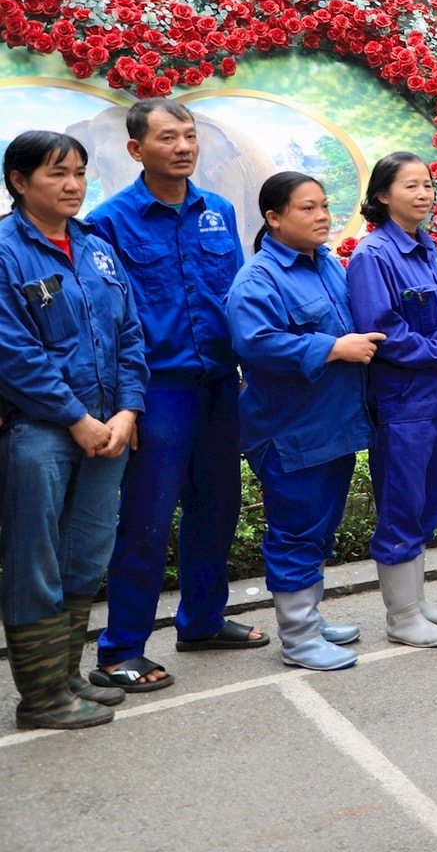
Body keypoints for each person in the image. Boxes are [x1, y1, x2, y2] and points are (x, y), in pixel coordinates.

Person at [90, 101, 259, 691]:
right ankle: (119, 651)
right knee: (146, 518)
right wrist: (123, 401)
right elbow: (107, 321)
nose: (184, 146)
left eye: (189, 135)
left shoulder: (218, 212)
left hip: (218, 385)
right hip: (157, 391)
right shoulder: (109, 223)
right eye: (168, 137)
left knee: (217, 508)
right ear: (137, 150)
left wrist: (243, 366)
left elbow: (235, 297)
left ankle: (203, 622)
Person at [0, 131, 146, 729]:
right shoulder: (7, 251)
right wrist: (76, 418)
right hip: (40, 432)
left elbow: (130, 335)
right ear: (19, 181)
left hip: (109, 428)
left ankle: (66, 675)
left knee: (86, 555)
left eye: (80, 172)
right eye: (58, 173)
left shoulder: (95, 248)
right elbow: (13, 352)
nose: (73, 185)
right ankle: (40, 698)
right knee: (36, 560)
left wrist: (127, 411)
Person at [226, 173, 381, 671]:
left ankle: (309, 619)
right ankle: (297, 638)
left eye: (325, 206)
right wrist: (333, 347)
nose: (322, 216)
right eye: (307, 208)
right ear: (273, 219)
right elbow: (255, 342)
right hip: (291, 431)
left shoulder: (327, 264)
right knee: (295, 532)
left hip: (332, 426)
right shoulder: (259, 278)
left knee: (319, 530)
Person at [345, 152, 437, 648]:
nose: (424, 194)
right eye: (411, 186)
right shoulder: (373, 256)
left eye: (428, 185)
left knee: (429, 502)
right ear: (382, 195)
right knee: (402, 505)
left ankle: (415, 600)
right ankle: (401, 616)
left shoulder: (428, 250)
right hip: (404, 404)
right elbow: (382, 331)